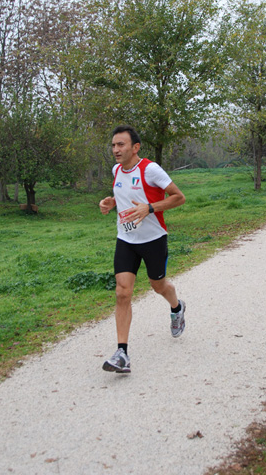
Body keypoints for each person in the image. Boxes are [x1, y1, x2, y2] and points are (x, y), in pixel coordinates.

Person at [99, 125, 186, 374]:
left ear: (135, 147)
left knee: (159, 286)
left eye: (121, 145)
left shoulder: (150, 169)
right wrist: (110, 202)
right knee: (122, 292)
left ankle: (177, 307)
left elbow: (179, 197)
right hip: (126, 240)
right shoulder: (116, 170)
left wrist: (149, 208)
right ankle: (122, 353)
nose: (116, 150)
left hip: (153, 239)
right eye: (113, 145)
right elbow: (124, 193)